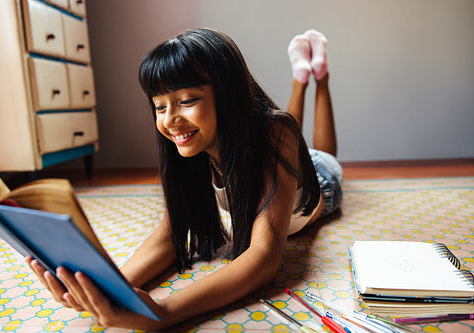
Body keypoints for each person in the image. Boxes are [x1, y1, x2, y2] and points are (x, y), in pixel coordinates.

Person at [26, 28, 342, 330]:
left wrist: (163, 312)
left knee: (311, 148)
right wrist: (108, 289)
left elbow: (263, 257)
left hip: (321, 181)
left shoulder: (276, 132)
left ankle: (317, 79)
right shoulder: (191, 148)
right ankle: (301, 75)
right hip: (270, 156)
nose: (170, 120)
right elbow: (168, 238)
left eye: (187, 101)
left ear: (227, 94)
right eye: (159, 106)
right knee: (286, 136)